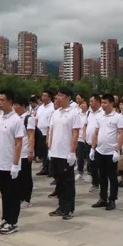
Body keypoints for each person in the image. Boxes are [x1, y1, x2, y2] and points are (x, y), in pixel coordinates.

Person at [0, 90, 25, 235]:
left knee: (13, 195)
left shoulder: (16, 120)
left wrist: (15, 164)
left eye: (2, 100)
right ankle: (5, 218)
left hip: (11, 164)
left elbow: (18, 143)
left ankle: (13, 222)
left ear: (10, 102)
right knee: (4, 194)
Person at [48, 87, 83, 220]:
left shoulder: (74, 113)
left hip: (66, 154)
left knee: (67, 182)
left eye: (61, 95)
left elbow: (75, 134)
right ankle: (61, 206)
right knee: (59, 182)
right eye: (57, 95)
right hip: (55, 152)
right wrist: (50, 148)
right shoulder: (56, 113)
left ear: (68, 97)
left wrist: (72, 152)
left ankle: (68, 209)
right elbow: (52, 131)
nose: (58, 98)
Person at [89, 94, 123, 210]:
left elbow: (122, 134)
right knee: (102, 176)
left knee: (112, 177)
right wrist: (93, 148)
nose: (103, 105)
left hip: (111, 152)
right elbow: (96, 133)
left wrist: (117, 150)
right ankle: (103, 198)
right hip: (100, 151)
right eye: (102, 103)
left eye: (105, 103)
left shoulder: (118, 117)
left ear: (112, 103)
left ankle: (112, 199)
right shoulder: (99, 116)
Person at [13, 96, 35, 209]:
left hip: (25, 151)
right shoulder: (15, 118)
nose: (14, 107)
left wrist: (30, 150)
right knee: (18, 177)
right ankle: (19, 197)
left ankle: (27, 198)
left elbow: (31, 135)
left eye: (16, 105)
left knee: (26, 176)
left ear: (23, 106)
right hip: (16, 152)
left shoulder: (28, 118)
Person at [83, 94, 103, 191]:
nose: (90, 103)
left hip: (99, 143)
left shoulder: (102, 112)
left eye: (92, 101)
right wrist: (84, 135)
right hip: (89, 142)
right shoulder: (89, 112)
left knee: (99, 165)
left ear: (98, 101)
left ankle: (101, 183)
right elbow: (85, 125)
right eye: (89, 102)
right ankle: (95, 183)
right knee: (91, 164)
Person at [35, 90, 55, 176]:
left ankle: (50, 169)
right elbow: (37, 119)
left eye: (45, 96)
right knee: (43, 152)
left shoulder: (52, 107)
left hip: (47, 133)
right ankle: (44, 168)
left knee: (48, 152)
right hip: (40, 133)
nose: (42, 97)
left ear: (49, 97)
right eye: (42, 95)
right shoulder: (40, 107)